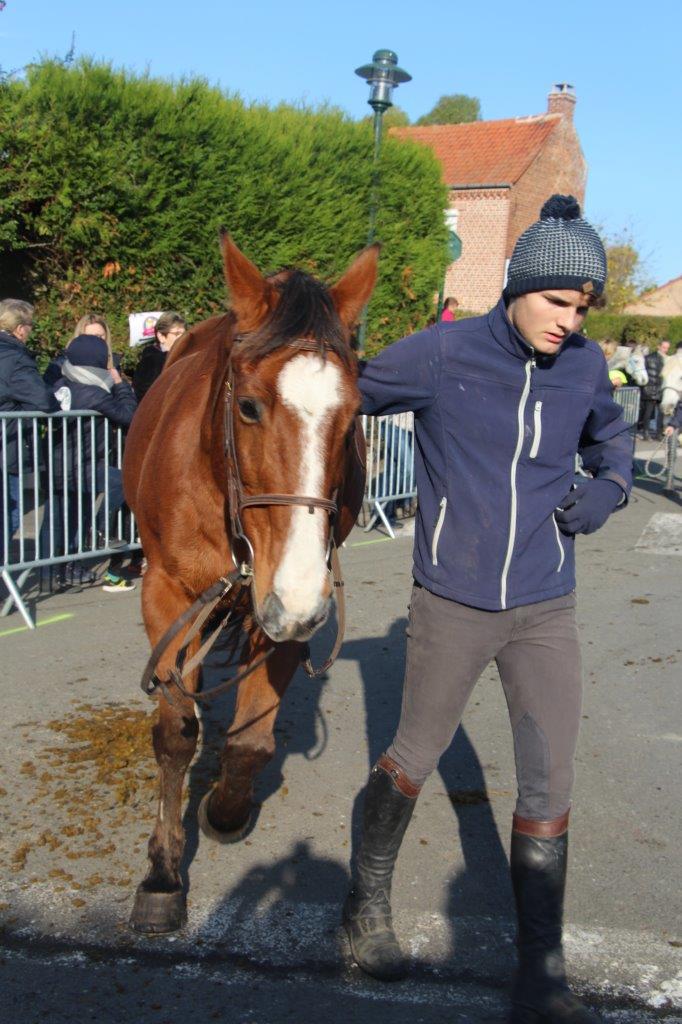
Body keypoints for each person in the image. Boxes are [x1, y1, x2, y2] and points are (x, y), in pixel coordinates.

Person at [345, 196, 632, 1024]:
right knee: (413, 755)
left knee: (550, 777)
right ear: (517, 285)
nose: (569, 322)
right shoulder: (441, 354)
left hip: (546, 605)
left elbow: (611, 436)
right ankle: (363, 909)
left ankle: (541, 977)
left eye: (581, 308)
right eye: (557, 302)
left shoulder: (583, 364)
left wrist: (611, 490)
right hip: (453, 602)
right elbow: (339, 394)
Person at [42, 334, 138, 591]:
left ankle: (58, 571)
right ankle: (99, 529)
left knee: (63, 517)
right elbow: (130, 415)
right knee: (121, 480)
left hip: (62, 463)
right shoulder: (94, 393)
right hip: (78, 465)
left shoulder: (63, 383)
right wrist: (119, 383)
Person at [0, 299, 58, 561]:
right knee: (10, 514)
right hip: (7, 448)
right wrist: (58, 398)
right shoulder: (14, 359)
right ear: (21, 329)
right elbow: (42, 400)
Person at [132, 311, 187, 402]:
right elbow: (146, 396)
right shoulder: (150, 362)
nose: (182, 338)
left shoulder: (186, 357)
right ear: (161, 336)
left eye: (184, 334)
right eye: (177, 334)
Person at [640, 340, 670, 440]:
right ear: (659, 346)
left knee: (661, 413)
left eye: (667, 348)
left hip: (661, 388)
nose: (665, 350)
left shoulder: (667, 359)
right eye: (664, 347)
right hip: (651, 388)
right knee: (649, 412)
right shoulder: (649, 358)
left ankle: (658, 433)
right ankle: (646, 432)